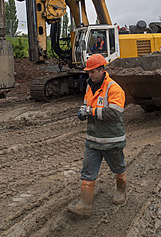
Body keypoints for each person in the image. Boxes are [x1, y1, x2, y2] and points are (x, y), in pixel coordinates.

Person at [67, 53, 127, 216]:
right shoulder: (89, 86)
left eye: (93, 72)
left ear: (102, 70)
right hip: (92, 139)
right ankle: (84, 204)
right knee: (87, 171)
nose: (90, 75)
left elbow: (115, 113)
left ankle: (121, 191)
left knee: (118, 167)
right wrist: (83, 111)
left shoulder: (113, 88)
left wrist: (90, 111)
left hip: (111, 139)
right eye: (89, 72)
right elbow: (87, 105)